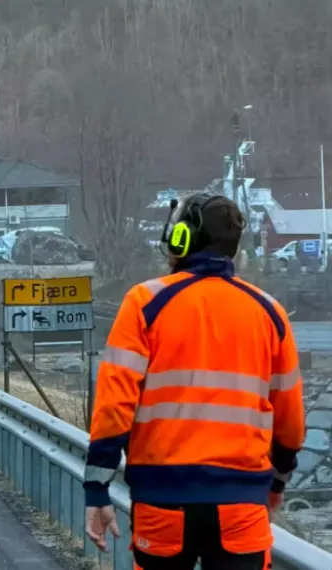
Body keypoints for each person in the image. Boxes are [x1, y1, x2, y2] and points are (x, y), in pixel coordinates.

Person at [83, 194, 305, 569]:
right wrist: (277, 483)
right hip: (241, 504)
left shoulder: (145, 303)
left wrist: (97, 490)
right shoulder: (269, 312)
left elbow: (113, 406)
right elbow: (291, 424)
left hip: (162, 500)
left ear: (180, 238)